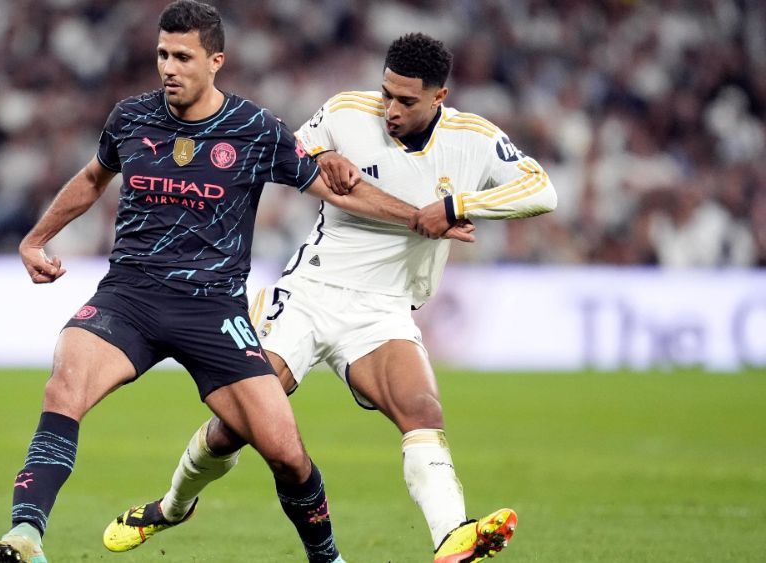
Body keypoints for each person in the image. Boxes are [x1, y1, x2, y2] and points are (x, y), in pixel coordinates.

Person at [0, 5, 458, 563]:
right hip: (129, 299)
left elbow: (339, 192)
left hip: (213, 310)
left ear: (216, 61)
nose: (168, 67)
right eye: (162, 54)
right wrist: (36, 239)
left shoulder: (255, 129)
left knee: (286, 454)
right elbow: (93, 178)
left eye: (182, 57)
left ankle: (327, 559)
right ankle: (25, 535)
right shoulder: (131, 118)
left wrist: (416, 216)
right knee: (63, 387)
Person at [102, 33, 556, 563]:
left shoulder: (473, 139)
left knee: (421, 410)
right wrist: (324, 155)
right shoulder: (345, 111)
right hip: (308, 295)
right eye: (386, 92)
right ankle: (172, 507)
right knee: (235, 429)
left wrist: (458, 203)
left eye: (407, 101)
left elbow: (542, 190)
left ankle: (454, 536)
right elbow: (284, 151)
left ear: (440, 97)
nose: (390, 109)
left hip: (382, 309)